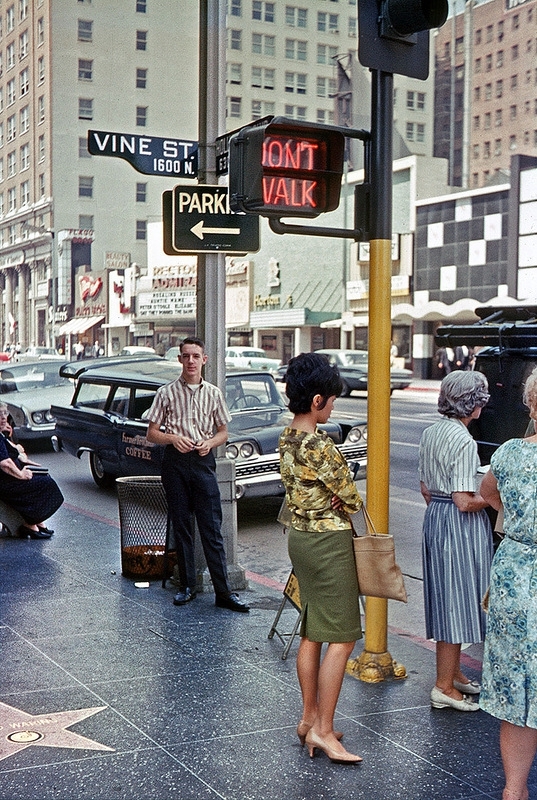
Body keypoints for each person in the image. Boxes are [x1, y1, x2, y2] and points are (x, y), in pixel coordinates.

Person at [279, 352, 363, 765]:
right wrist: (339, 495)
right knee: (343, 637)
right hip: (329, 544)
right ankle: (325, 731)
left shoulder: (287, 438)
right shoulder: (319, 444)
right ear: (316, 401)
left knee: (312, 630)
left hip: (301, 540)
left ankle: (308, 718)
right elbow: (350, 496)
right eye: (331, 400)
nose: (333, 407)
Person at [146, 337, 249, 613]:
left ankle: (224, 592)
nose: (190, 361)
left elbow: (224, 432)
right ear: (179, 359)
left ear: (204, 360)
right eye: (186, 356)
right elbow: (151, 433)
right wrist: (172, 438)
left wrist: (210, 443)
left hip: (203, 462)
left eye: (195, 356)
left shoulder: (213, 394)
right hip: (175, 463)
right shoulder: (166, 393)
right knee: (182, 525)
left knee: (211, 528)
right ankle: (187, 585)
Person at [479, 366, 537, 800]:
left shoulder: (510, 454)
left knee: (516, 687)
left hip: (514, 572)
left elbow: (489, 494)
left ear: (530, 404)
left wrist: (518, 524)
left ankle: (514, 791)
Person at [419, 370, 493, 712]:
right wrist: (493, 498)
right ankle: (444, 686)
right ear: (473, 403)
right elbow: (464, 501)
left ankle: (453, 673)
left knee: (448, 597)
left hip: (436, 518)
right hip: (459, 526)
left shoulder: (432, 432)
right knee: (457, 602)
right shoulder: (464, 440)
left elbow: (426, 489)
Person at [0, 404, 63, 539]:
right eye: (0, 415)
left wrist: (7, 436)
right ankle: (30, 524)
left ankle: (37, 521)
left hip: (7, 478)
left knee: (43, 476)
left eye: (5, 414)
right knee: (45, 483)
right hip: (4, 481)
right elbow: (5, 464)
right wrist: (21, 474)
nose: (3, 418)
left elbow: (15, 450)